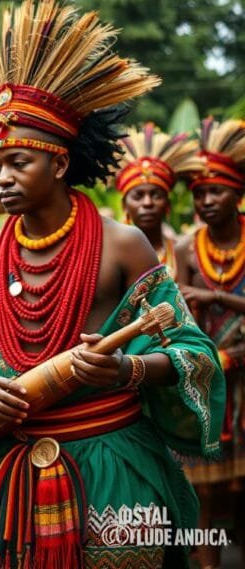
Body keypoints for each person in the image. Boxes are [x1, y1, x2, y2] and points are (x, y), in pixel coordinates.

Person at [0, 0, 224, 567]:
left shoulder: (123, 244)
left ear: (59, 165)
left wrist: (126, 368)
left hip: (117, 467)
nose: (2, 178)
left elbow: (192, 351)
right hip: (12, 476)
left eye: (18, 162)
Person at [173, 116, 245, 569]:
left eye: (215, 190)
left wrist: (216, 296)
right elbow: (178, 320)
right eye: (199, 193)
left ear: (238, 191)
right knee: (202, 495)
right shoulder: (184, 248)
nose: (205, 201)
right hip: (210, 382)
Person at [113, 123, 202, 279]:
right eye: (138, 196)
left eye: (156, 195)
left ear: (168, 204)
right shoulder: (110, 253)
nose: (147, 203)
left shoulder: (183, 253)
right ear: (124, 205)